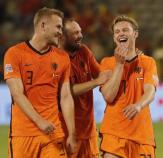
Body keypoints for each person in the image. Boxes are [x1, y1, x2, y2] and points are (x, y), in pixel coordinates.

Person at [4, 7, 76, 158]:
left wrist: (71, 133)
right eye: (58, 26)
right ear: (43, 26)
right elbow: (17, 94)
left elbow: (66, 96)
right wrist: (39, 121)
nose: (60, 32)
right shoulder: (14, 53)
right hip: (23, 135)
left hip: (53, 134)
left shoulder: (62, 58)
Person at [99, 15, 159, 158]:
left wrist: (138, 105)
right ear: (114, 38)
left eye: (125, 30)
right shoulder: (107, 63)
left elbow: (150, 92)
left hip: (142, 134)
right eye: (117, 31)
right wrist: (119, 65)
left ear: (135, 34)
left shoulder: (148, 62)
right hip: (114, 133)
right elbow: (108, 96)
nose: (121, 33)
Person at [61, 18, 111, 158]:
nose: (80, 36)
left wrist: (119, 68)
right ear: (63, 37)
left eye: (80, 31)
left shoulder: (84, 51)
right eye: (75, 33)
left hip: (88, 132)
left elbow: (102, 75)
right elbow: (65, 91)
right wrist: (96, 82)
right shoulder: (54, 59)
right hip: (65, 133)